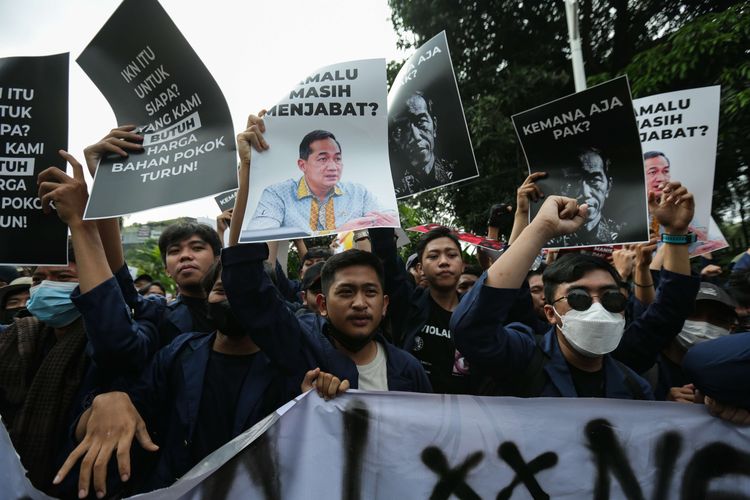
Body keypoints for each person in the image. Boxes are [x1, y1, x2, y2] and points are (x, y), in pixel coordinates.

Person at [223, 112, 430, 394]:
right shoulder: (300, 351)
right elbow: (247, 284)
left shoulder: (409, 370)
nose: (360, 303)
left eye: (370, 292)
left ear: (384, 305)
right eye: (345, 292)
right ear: (321, 304)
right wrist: (250, 173)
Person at [451, 180, 699, 399]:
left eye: (611, 298)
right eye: (578, 297)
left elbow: (668, 313)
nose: (597, 307)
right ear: (550, 313)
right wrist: (540, 229)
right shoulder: (523, 358)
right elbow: (473, 329)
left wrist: (676, 233)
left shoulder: (634, 384)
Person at [247, 129, 397, 233]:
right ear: (302, 165)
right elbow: (259, 236)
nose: (333, 167)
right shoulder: (277, 194)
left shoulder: (358, 193)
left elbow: (388, 217)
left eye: (337, 159)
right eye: (323, 159)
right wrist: (341, 232)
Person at [642, 281, 738, 402]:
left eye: (718, 319)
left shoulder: (732, 375)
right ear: (673, 316)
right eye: (693, 313)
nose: (704, 325)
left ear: (731, 329)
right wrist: (664, 408)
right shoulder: (644, 367)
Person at [643, 150, 724, 255]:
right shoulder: (625, 220)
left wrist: (702, 249)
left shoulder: (683, 209)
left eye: (665, 171)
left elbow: (716, 243)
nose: (661, 178)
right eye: (652, 172)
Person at [547, 147, 623, 247]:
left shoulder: (622, 235)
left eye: (594, 180)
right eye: (574, 182)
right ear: (559, 189)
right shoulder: (547, 237)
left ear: (608, 186)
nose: (586, 193)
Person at [389, 92, 457, 197]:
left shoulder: (455, 173)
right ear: (393, 140)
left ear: (434, 126)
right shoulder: (394, 192)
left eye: (421, 122)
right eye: (402, 128)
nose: (416, 137)